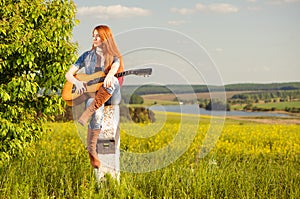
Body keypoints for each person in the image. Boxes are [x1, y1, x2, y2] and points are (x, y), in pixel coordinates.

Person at [65, 25, 124, 169]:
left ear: (106, 38)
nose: (95, 38)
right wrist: (77, 82)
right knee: (97, 114)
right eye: (93, 35)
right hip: (95, 97)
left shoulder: (114, 56)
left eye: (98, 36)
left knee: (114, 81)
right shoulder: (86, 56)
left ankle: (88, 111)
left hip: (112, 95)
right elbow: (68, 74)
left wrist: (109, 75)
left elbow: (115, 67)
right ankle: (91, 148)